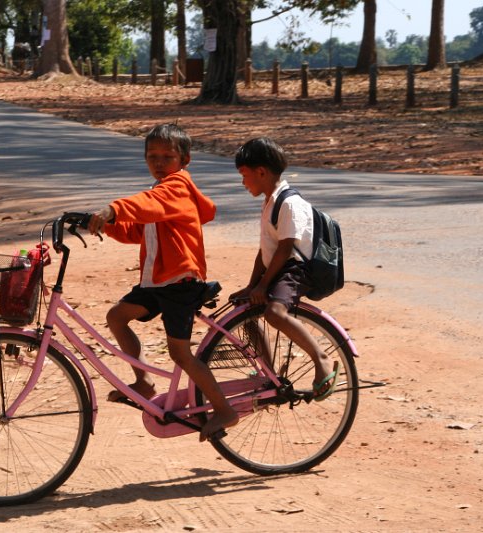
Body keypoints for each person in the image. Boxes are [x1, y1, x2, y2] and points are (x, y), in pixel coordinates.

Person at [87, 123, 238, 442]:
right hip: (157, 282)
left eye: (167, 156)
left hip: (180, 282)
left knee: (181, 355)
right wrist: (103, 223)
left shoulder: (177, 187)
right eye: (152, 156)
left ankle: (224, 410)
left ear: (184, 160)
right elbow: (137, 230)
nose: (158, 162)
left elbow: (142, 206)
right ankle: (143, 381)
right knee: (117, 316)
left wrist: (112, 209)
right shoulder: (162, 194)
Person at [230, 137, 338, 401]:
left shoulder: (289, 203)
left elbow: (285, 248)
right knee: (242, 307)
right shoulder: (269, 203)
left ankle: (321, 358)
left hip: (296, 269)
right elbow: (264, 251)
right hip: (280, 267)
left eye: (245, 175)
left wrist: (264, 286)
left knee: (275, 313)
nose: (243, 183)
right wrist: (252, 286)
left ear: (262, 172)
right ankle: (267, 372)